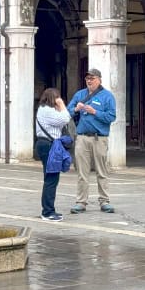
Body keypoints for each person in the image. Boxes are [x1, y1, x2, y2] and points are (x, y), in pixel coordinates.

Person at [67, 68, 117, 214]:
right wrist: (76, 109)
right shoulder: (80, 94)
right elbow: (67, 111)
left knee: (102, 171)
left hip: (99, 138)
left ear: (99, 80)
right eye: (87, 78)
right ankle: (81, 202)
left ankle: (104, 201)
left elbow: (112, 117)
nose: (89, 81)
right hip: (82, 138)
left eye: (92, 78)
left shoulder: (107, 96)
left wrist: (94, 112)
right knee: (82, 172)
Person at [35, 88, 72, 222]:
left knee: (50, 178)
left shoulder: (44, 109)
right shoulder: (47, 110)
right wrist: (61, 104)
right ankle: (48, 212)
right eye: (57, 98)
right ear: (53, 98)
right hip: (49, 146)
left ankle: (49, 210)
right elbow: (65, 118)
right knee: (51, 179)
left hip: (46, 145)